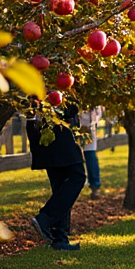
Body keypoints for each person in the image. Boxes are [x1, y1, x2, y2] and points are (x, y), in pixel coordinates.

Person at [29, 101, 87, 251]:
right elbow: (67, 108)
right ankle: (45, 218)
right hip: (57, 132)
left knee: (61, 185)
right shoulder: (53, 82)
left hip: (44, 133)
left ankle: (60, 238)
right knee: (77, 176)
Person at [78, 105, 104, 199]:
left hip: (89, 130)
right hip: (75, 130)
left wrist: (92, 123)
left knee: (91, 159)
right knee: (76, 159)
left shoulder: (93, 101)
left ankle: (94, 187)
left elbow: (98, 114)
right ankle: (76, 185)